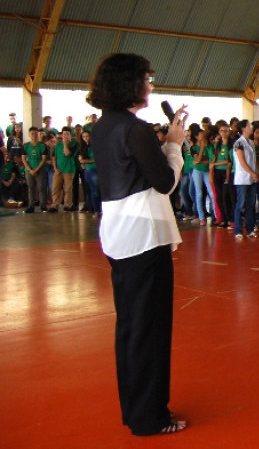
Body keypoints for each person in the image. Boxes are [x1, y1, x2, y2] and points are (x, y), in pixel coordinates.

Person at [86, 52, 188, 436]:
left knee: (131, 326)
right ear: (130, 83)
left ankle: (137, 408)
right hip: (144, 235)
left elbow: (140, 173)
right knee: (151, 327)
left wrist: (164, 145)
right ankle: (150, 417)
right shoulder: (136, 128)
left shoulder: (104, 126)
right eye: (146, 78)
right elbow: (164, 182)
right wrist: (175, 144)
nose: (150, 85)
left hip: (118, 231)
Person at [232, 120, 259, 239]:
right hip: (242, 178)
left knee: (251, 204)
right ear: (243, 129)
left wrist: (255, 173)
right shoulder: (238, 144)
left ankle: (250, 229)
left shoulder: (251, 143)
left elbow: (253, 160)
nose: (251, 127)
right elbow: (242, 162)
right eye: (249, 126)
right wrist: (253, 173)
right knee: (240, 204)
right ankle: (238, 230)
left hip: (251, 178)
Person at [22, 126, 48, 213]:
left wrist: (36, 169)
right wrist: (30, 169)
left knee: (41, 187)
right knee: (31, 188)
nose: (34, 135)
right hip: (29, 169)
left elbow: (44, 159)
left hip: (40, 169)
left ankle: (43, 206)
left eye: (36, 134)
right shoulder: (26, 146)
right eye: (32, 134)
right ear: (29, 135)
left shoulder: (42, 145)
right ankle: (31, 206)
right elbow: (24, 159)